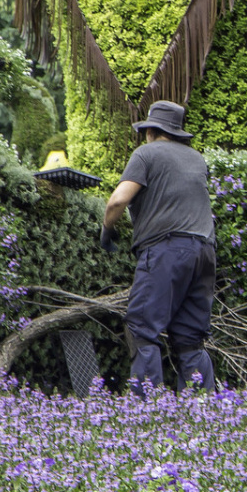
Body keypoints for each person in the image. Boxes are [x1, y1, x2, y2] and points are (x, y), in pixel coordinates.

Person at [102, 100, 217, 394]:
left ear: (150, 131)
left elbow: (117, 200)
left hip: (167, 250)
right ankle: (204, 411)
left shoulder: (146, 153)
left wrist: (108, 228)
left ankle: (149, 412)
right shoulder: (196, 159)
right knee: (191, 338)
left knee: (142, 327)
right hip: (205, 252)